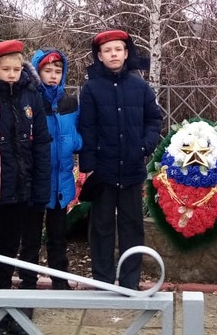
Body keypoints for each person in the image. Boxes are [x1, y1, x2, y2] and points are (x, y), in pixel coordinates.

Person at [0, 40, 50, 335]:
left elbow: (40, 143)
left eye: (16, 69)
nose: (11, 74)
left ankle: (4, 311)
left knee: (8, 252)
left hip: (21, 188)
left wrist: (38, 188)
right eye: (5, 69)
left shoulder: (31, 95)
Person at [78, 29, 162, 289]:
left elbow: (154, 119)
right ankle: (103, 281)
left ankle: (129, 282)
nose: (113, 54)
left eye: (118, 49)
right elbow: (87, 128)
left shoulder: (140, 87)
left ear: (126, 53)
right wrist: (88, 166)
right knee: (101, 227)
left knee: (132, 227)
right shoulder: (91, 88)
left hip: (132, 170)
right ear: (99, 56)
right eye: (107, 50)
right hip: (103, 171)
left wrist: (144, 146)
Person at [30, 48, 83, 290]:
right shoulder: (32, 100)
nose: (53, 76)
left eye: (58, 71)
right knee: (30, 237)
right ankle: (28, 282)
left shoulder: (69, 103)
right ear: (37, 72)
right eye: (47, 71)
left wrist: (75, 142)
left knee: (58, 235)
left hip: (61, 180)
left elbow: (78, 132)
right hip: (36, 179)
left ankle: (60, 280)